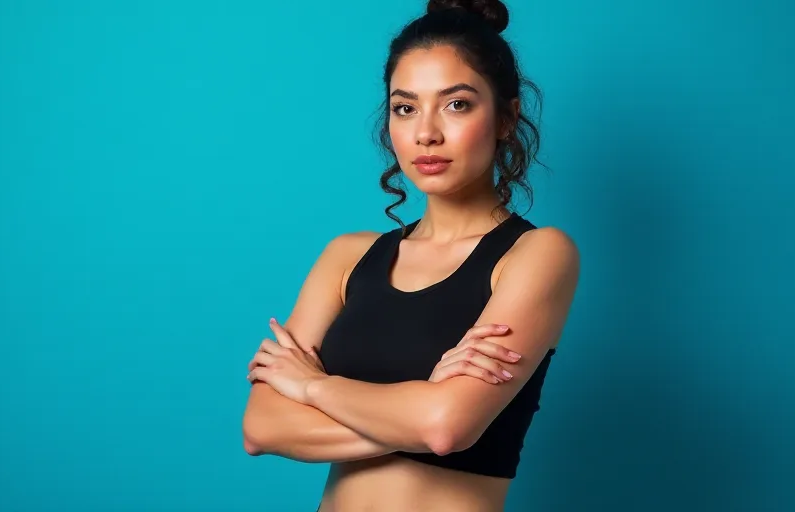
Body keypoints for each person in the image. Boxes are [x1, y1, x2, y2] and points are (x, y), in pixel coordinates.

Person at [241, 1, 580, 510]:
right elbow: (262, 426)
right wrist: (420, 411)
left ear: (507, 117)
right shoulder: (347, 256)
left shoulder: (537, 254)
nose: (426, 132)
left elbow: (446, 427)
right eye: (405, 107)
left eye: (456, 104)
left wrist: (311, 387)